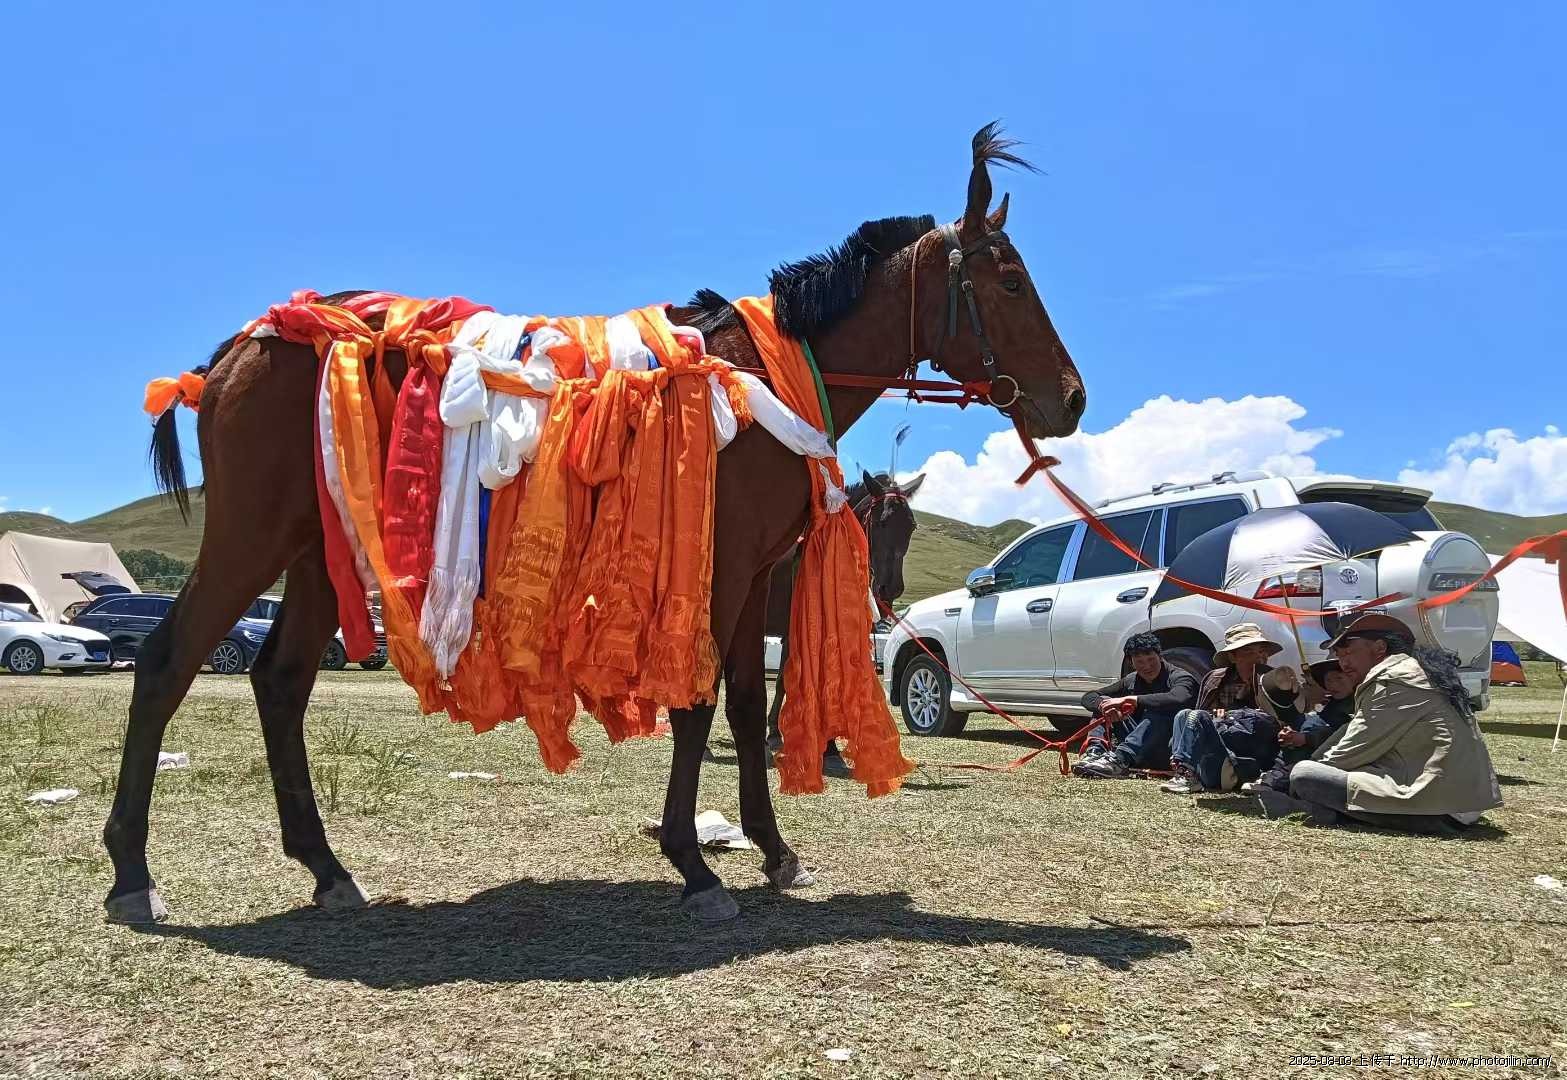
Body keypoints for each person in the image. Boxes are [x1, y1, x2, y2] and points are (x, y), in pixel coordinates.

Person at [1254, 614, 1503, 830]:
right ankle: (1326, 809)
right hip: (1456, 801)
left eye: (1349, 653)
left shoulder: (1392, 680)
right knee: (1334, 746)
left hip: (1439, 806)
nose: (1344, 664)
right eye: (1339, 656)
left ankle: (1316, 808)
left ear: (1379, 648)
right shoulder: (1415, 672)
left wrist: (1296, 779)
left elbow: (1349, 753)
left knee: (1305, 775)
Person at [1160, 623, 1306, 795]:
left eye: (1262, 651)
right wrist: (1227, 715)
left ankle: (1188, 774)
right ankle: (1184, 772)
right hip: (1219, 749)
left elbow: (1289, 724)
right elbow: (1203, 718)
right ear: (1233, 657)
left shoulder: (1276, 683)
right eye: (1249, 652)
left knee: (1197, 717)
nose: (1258, 658)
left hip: (1251, 759)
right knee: (1184, 715)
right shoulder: (1217, 680)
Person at [1071, 633, 1199, 778]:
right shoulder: (1131, 680)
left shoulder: (1180, 677)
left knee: (1159, 711)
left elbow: (1180, 698)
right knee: (1106, 704)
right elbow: (1089, 697)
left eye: (1151, 659)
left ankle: (1119, 760)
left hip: (1169, 748)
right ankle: (1095, 753)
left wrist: (1134, 699)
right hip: (1139, 745)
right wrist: (1104, 706)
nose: (1147, 666)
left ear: (1160, 656)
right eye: (1140, 662)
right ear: (1131, 663)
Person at [1247, 659, 1360, 794]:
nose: (1333, 684)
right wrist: (1290, 734)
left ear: (1353, 679)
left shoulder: (1358, 704)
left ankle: (1285, 774)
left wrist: (1307, 738)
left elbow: (1347, 733)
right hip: (1313, 750)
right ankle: (1279, 770)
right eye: (1328, 680)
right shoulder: (1332, 704)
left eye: (1339, 678)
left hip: (1338, 757)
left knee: (1311, 724)